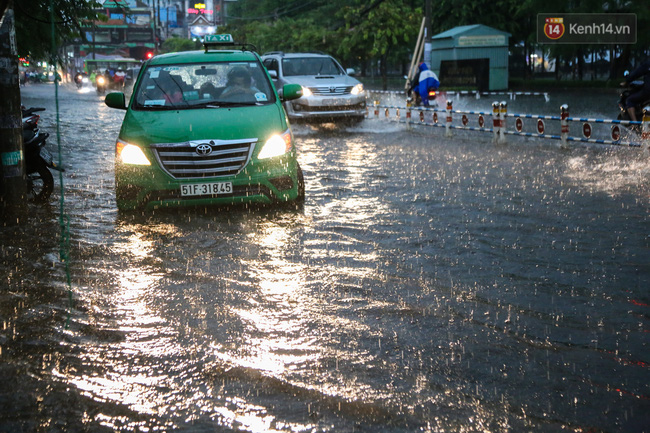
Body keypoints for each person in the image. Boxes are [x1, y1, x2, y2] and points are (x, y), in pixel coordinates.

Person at [620, 58, 650, 122]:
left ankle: (635, 123)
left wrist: (627, 81)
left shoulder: (647, 64)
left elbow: (636, 73)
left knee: (630, 100)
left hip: (648, 92)